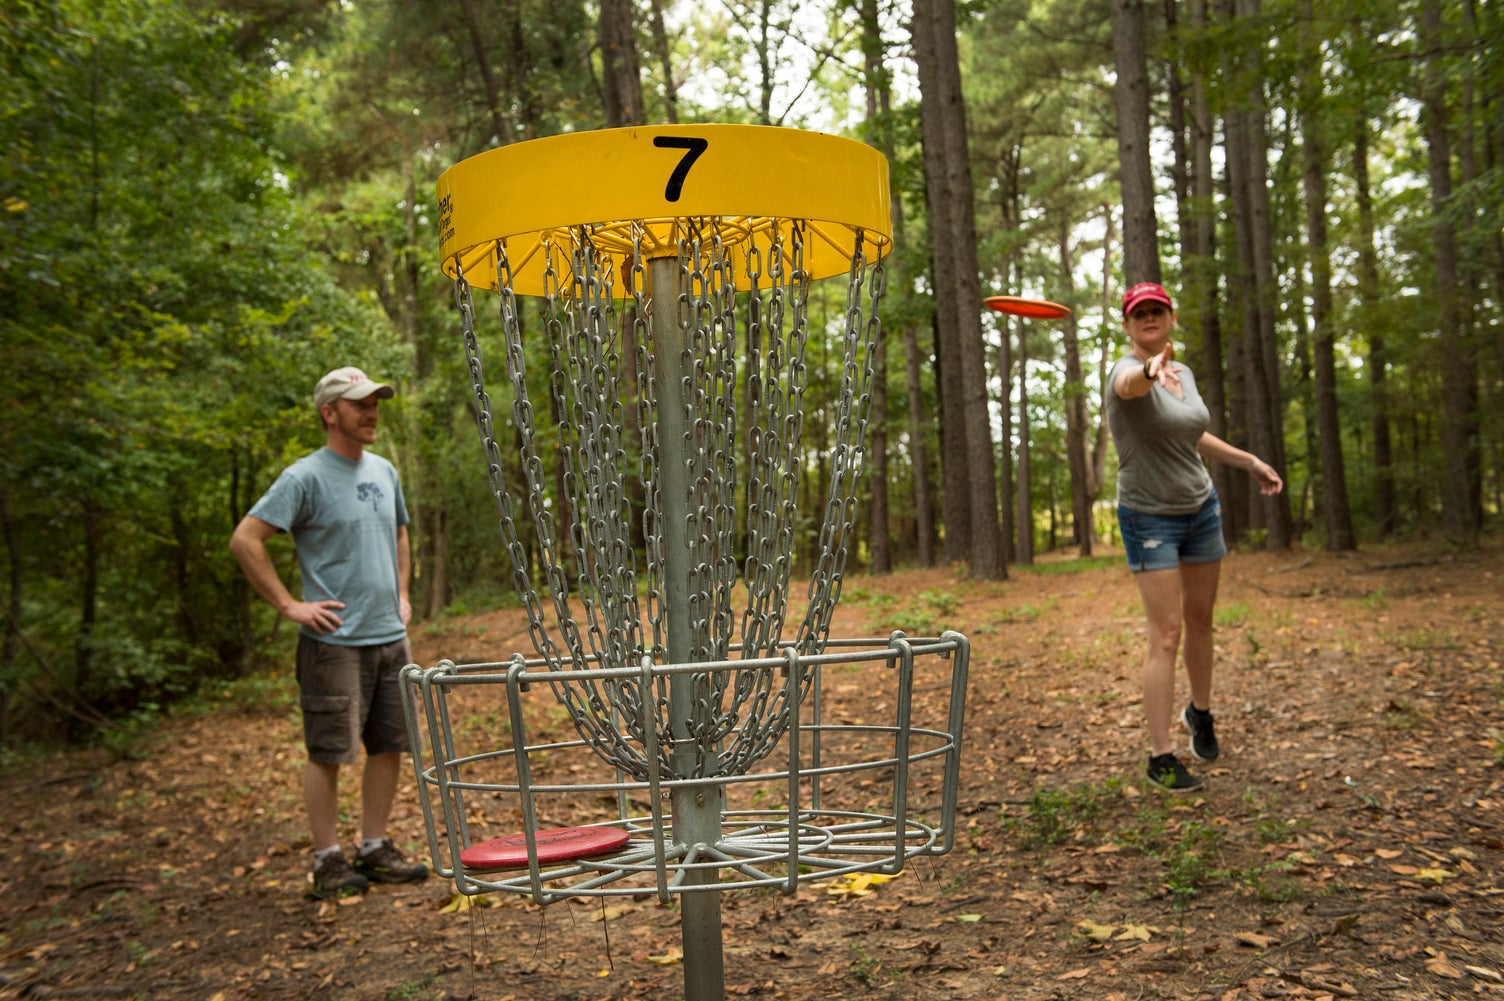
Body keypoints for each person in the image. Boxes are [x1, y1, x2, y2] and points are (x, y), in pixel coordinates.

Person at [230, 366, 430, 898]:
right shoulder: (304, 477)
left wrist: (403, 594)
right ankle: (326, 862)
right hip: (334, 641)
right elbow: (246, 540)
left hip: (390, 637)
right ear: (329, 413)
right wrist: (290, 605)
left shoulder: (385, 471)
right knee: (329, 752)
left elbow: (401, 533)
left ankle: (374, 847)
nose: (372, 413)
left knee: (389, 746)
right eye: (360, 404)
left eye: (375, 403)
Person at [1104, 283, 1284, 792]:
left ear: (1171, 317)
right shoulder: (1126, 369)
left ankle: (1199, 712)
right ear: (1127, 325)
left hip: (1200, 510)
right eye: (1139, 313)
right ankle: (1160, 757)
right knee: (1165, 633)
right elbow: (1127, 387)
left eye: (1157, 310)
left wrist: (1249, 461)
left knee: (1201, 621)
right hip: (1149, 517)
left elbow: (1191, 434)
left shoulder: (1183, 374)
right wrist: (1146, 371)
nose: (1149, 318)